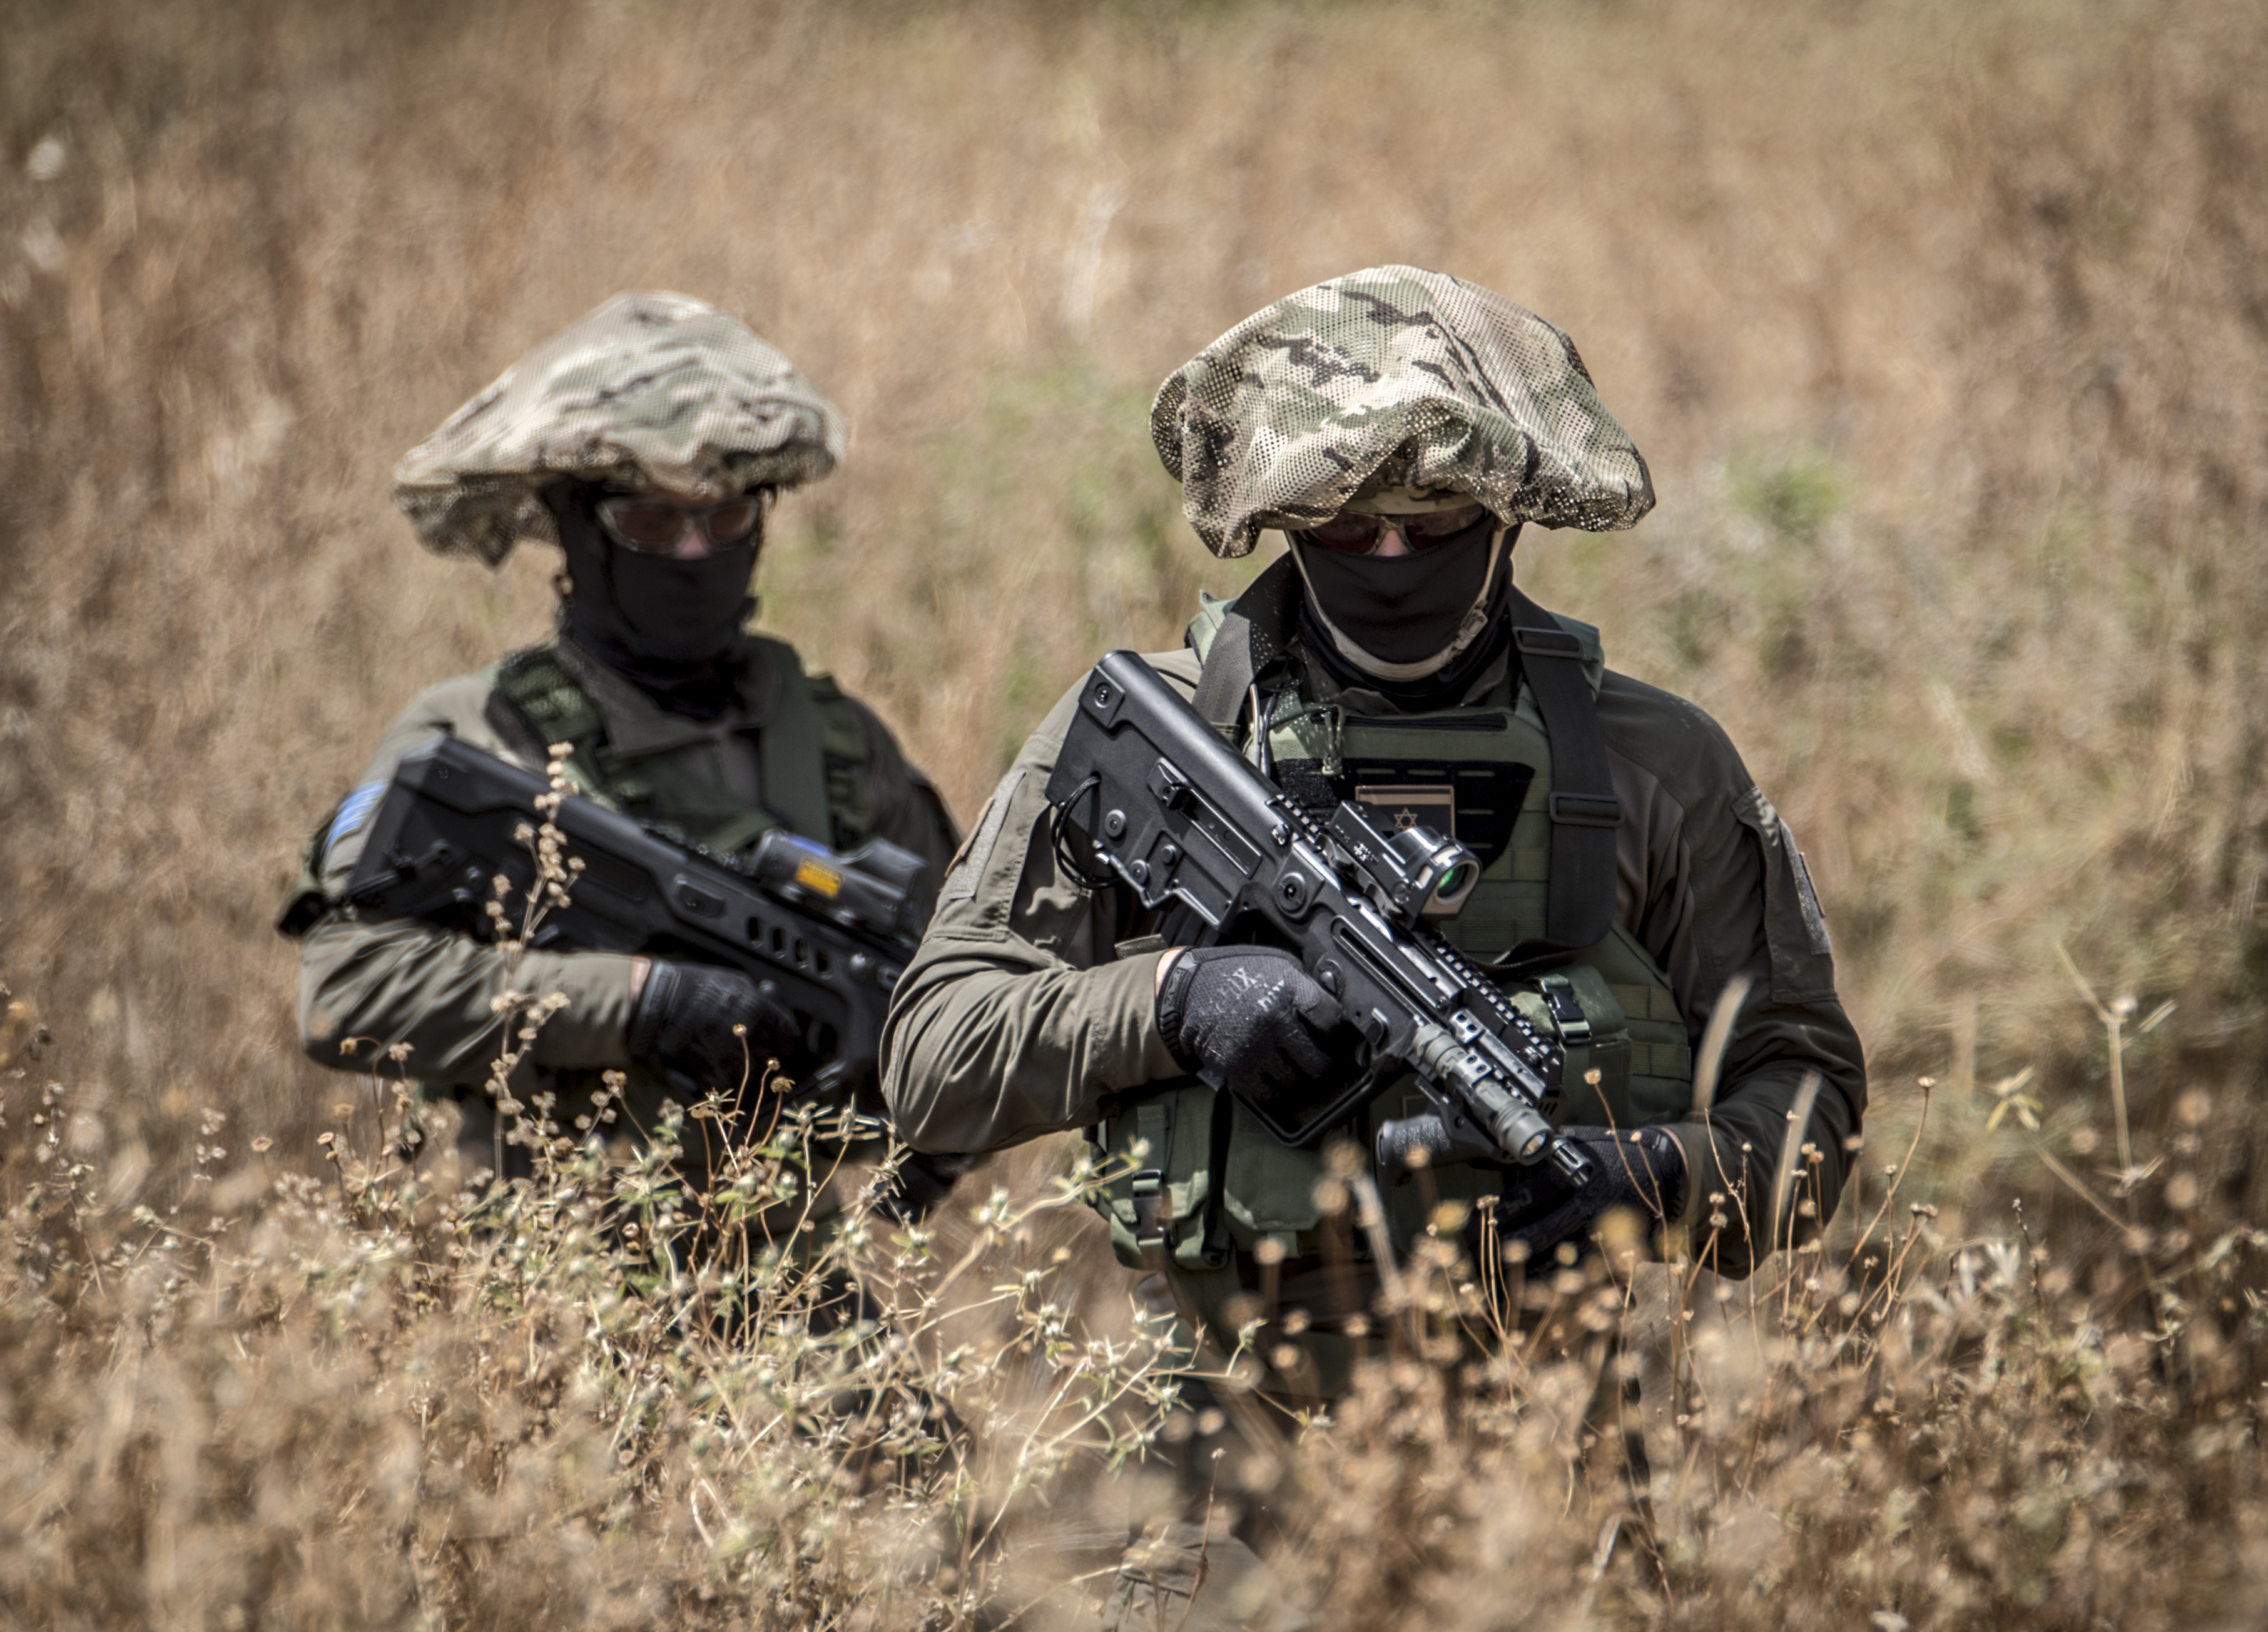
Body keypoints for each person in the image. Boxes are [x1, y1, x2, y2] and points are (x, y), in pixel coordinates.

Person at [880, 266, 1867, 1627]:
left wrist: (1652, 1176)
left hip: (1549, 1490)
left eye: (1439, 518)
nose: (1393, 559)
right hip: (1209, 1492)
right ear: (1282, 512)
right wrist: (1175, 1000)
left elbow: (1809, 1110)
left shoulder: (1657, 765)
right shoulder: (1149, 738)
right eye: (1347, 521)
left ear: (1510, 509)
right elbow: (931, 1058)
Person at [280, 291, 960, 1215]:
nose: (692, 551)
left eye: (726, 522)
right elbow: (344, 990)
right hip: (550, 1282)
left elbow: (961, 978)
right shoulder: (482, 733)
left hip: (785, 1272)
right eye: (647, 525)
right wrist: (638, 1000)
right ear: (570, 528)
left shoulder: (834, 743)